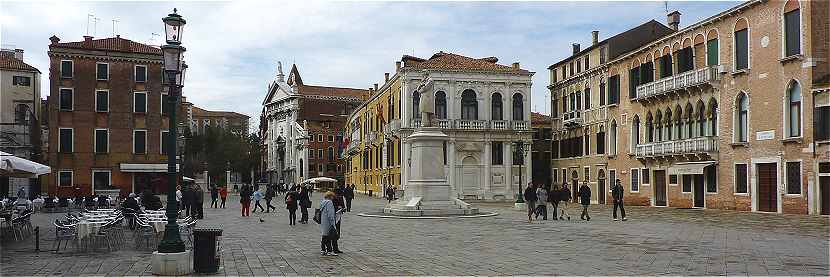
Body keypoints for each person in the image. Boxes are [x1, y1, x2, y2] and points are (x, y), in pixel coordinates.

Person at [318, 191, 338, 256]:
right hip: (328, 221)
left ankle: (323, 250)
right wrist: (333, 223)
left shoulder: (323, 202)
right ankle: (329, 250)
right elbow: (330, 214)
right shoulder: (329, 203)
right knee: (328, 236)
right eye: (332, 196)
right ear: (330, 196)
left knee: (324, 235)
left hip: (323, 220)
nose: (333, 198)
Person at [331, 189, 346, 254]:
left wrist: (343, 209)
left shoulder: (340, 198)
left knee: (337, 234)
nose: (340, 197)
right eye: (338, 196)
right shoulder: (331, 200)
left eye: (340, 196)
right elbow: (330, 210)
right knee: (332, 234)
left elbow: (343, 207)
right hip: (332, 218)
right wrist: (337, 208)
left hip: (338, 218)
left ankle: (335, 248)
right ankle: (330, 248)